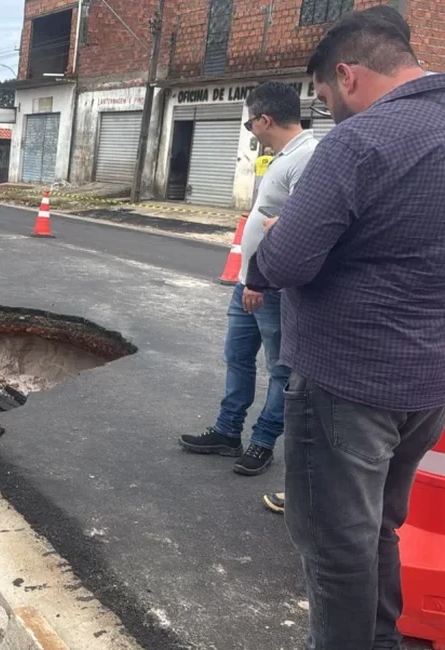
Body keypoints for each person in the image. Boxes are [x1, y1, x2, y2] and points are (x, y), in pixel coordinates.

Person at [246, 9, 445, 648]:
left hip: (347, 380)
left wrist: (278, 238)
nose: (332, 114)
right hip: (428, 383)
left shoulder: (360, 142)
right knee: (380, 527)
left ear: (347, 75)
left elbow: (285, 263)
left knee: (336, 545)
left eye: (328, 100)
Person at [179, 81, 317, 477]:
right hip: (248, 281)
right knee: (237, 358)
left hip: (271, 288)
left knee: (278, 368)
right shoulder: (282, 156)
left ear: (264, 119)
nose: (250, 131)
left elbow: (301, 227)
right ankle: (227, 432)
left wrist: (261, 281)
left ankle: (263, 441)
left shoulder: (307, 157)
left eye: (249, 123)